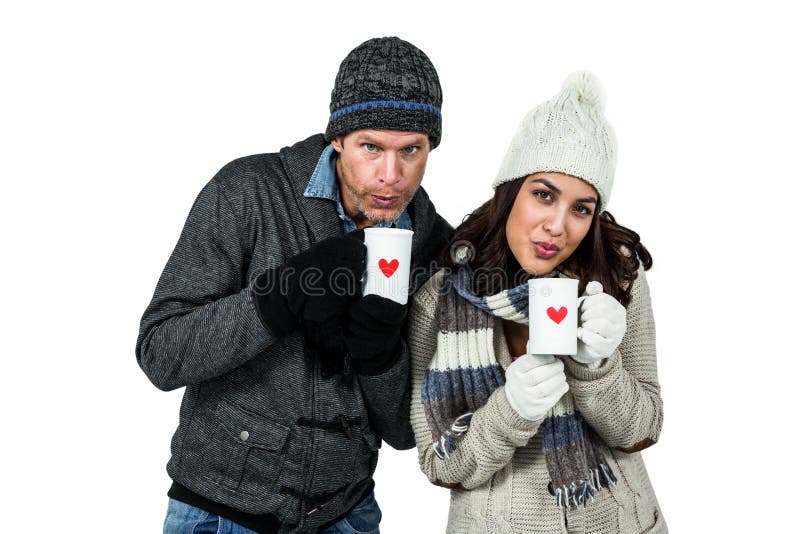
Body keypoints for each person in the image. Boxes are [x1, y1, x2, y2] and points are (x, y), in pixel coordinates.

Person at [137, 36, 452, 534]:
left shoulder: (432, 246)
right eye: (371, 146)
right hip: (218, 514)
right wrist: (275, 300)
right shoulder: (248, 191)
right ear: (337, 138)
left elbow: (403, 431)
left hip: (347, 515)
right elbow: (160, 354)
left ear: (430, 147)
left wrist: (381, 356)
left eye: (410, 150)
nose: (390, 175)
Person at [408, 72, 666, 533]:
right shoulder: (440, 297)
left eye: (581, 208)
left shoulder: (617, 275)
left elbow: (643, 429)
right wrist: (511, 410)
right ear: (510, 193)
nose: (558, 225)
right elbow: (440, 463)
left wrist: (596, 368)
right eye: (543, 195)